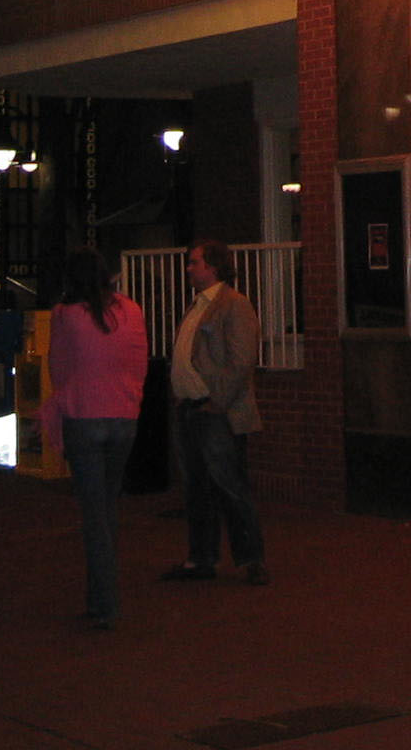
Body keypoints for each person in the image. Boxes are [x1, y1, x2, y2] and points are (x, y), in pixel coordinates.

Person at [46, 248, 149, 629]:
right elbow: (140, 361)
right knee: (108, 504)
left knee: (94, 513)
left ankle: (104, 602)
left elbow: (58, 368)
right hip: (124, 416)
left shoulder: (65, 315)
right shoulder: (131, 310)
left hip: (84, 416)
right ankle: (101, 596)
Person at [160, 239, 267, 586]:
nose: (189, 269)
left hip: (213, 410)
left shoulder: (233, 305)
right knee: (196, 488)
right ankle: (201, 558)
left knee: (229, 485)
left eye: (195, 262)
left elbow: (241, 361)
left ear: (213, 266)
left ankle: (251, 558)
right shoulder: (198, 305)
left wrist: (218, 401)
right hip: (191, 408)